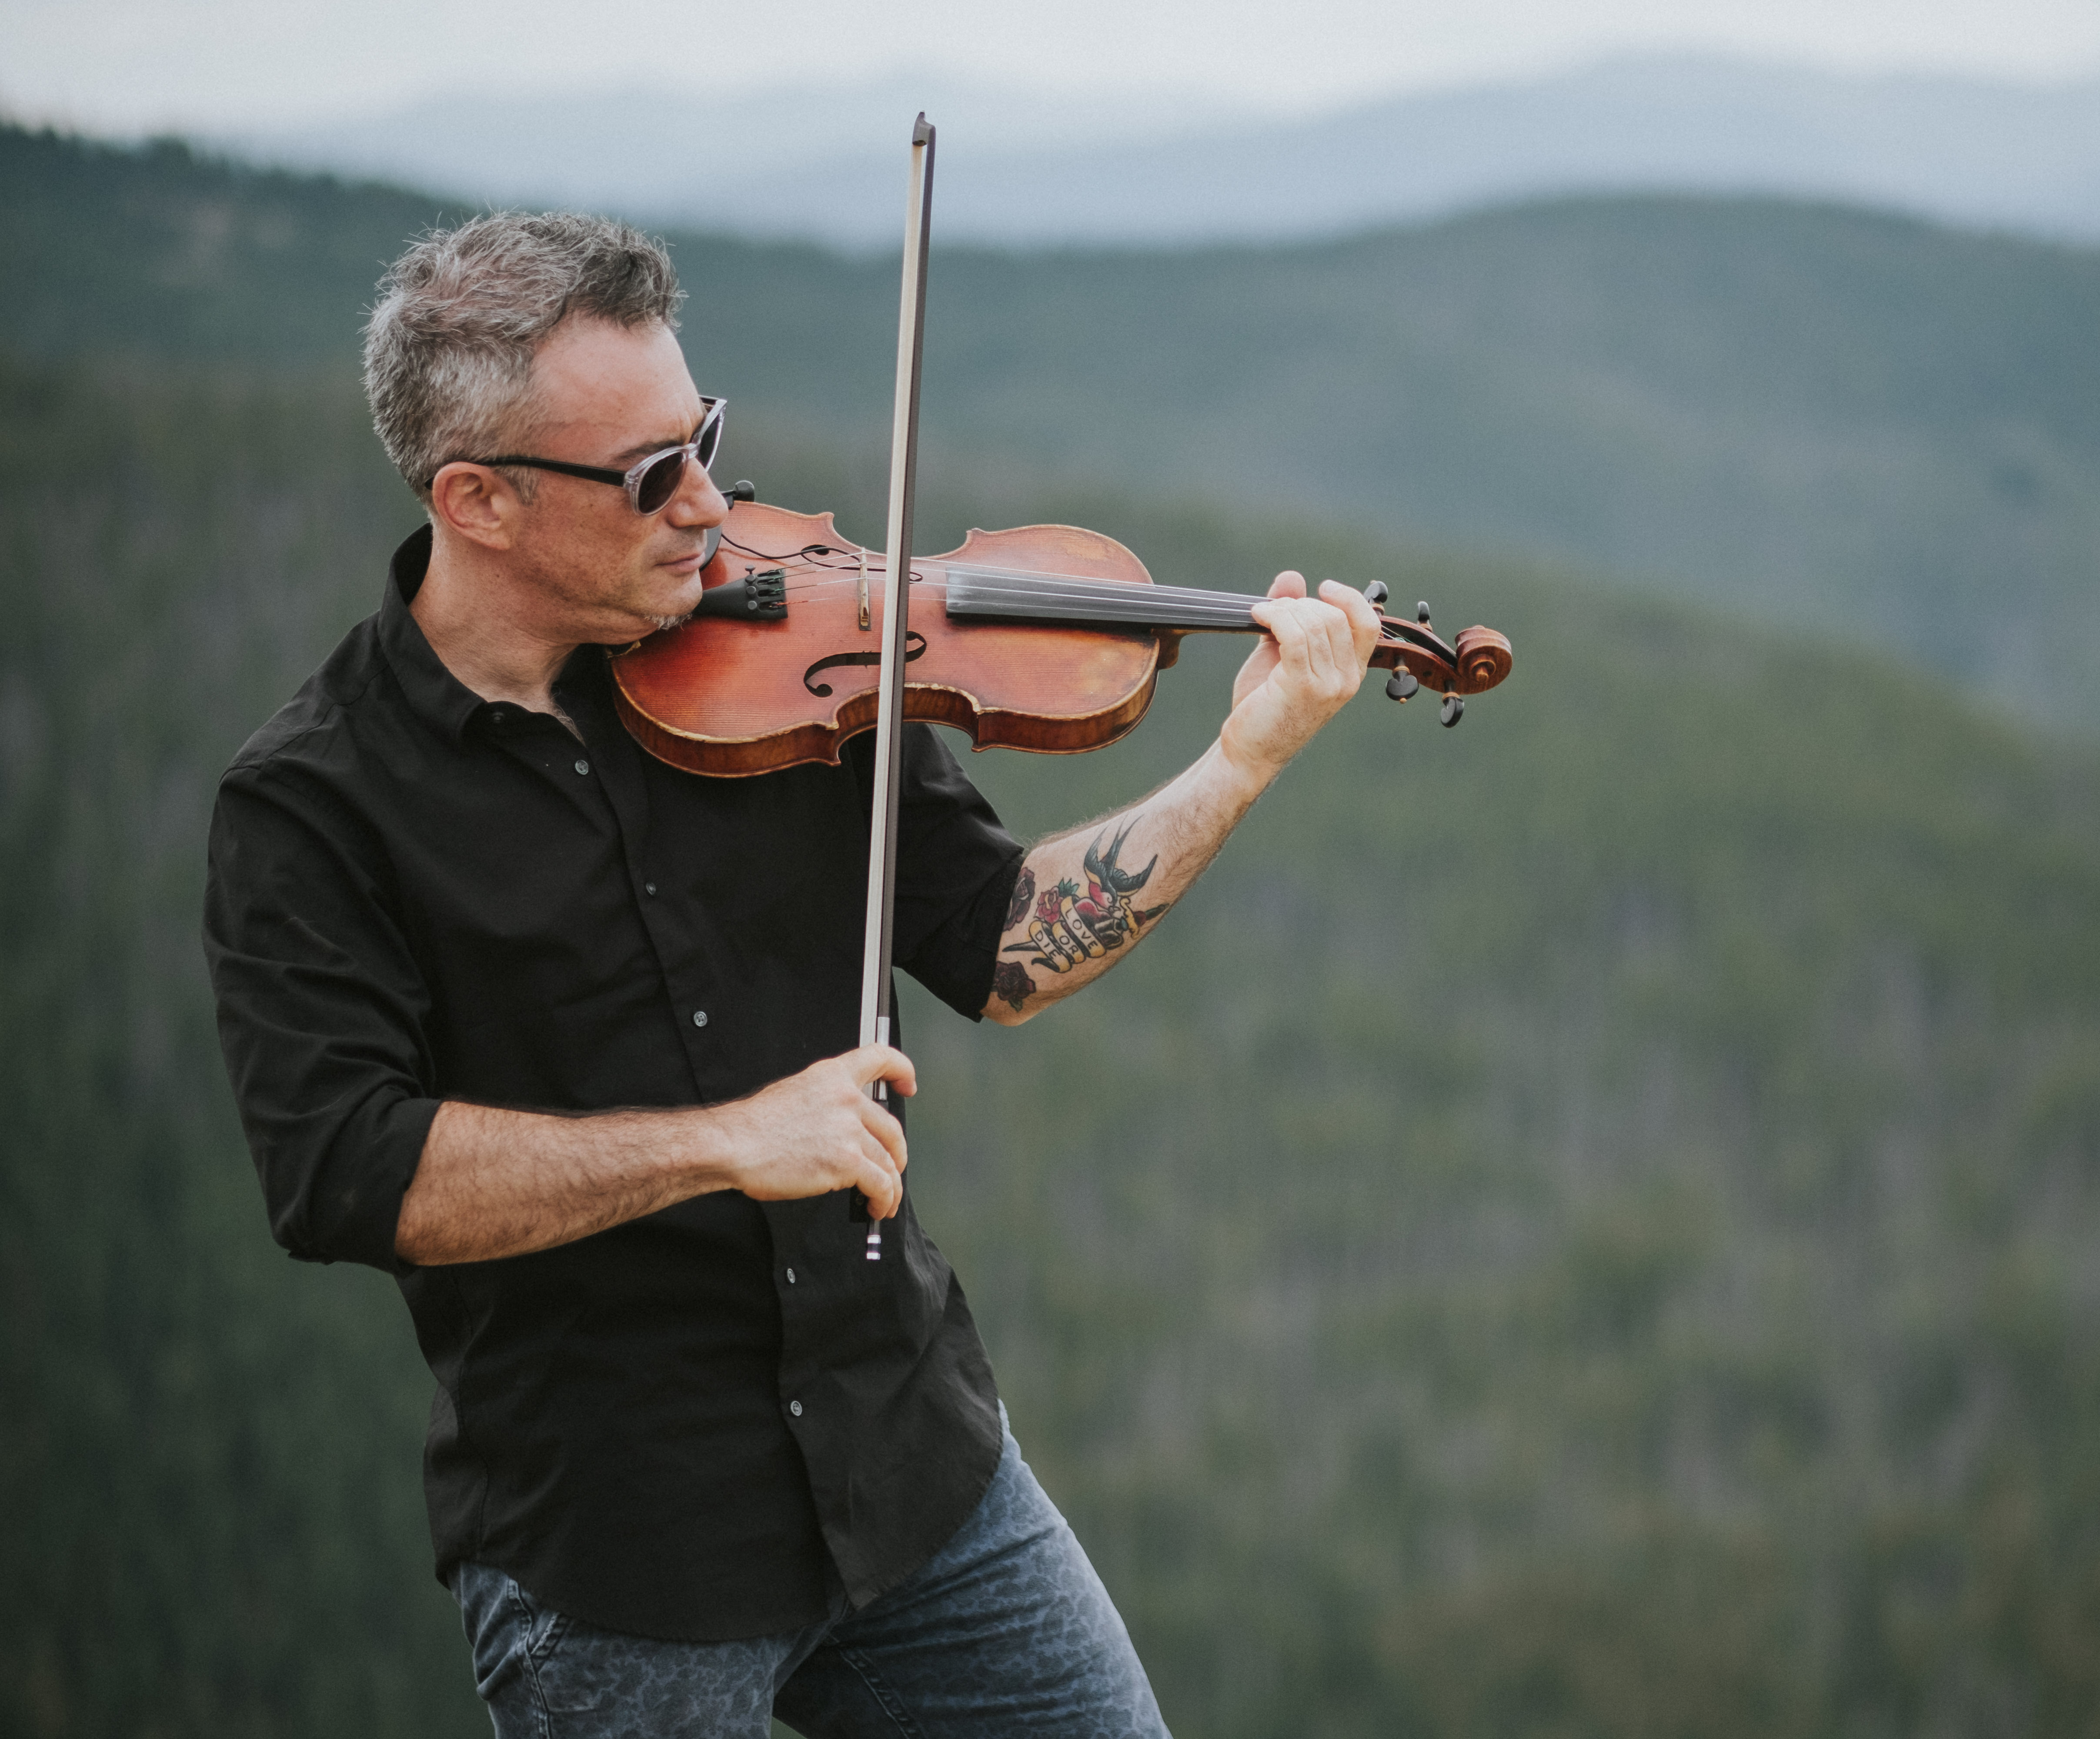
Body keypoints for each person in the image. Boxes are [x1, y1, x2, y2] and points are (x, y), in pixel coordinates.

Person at [201, 212, 1380, 1739]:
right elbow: (346, 1174)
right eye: (647, 477)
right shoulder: (313, 806)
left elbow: (1005, 944)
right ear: (476, 500)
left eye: (705, 437)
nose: (708, 504)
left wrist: (1244, 758)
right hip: (624, 1557)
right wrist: (726, 1144)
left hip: (920, 1472)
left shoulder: (804, 645)